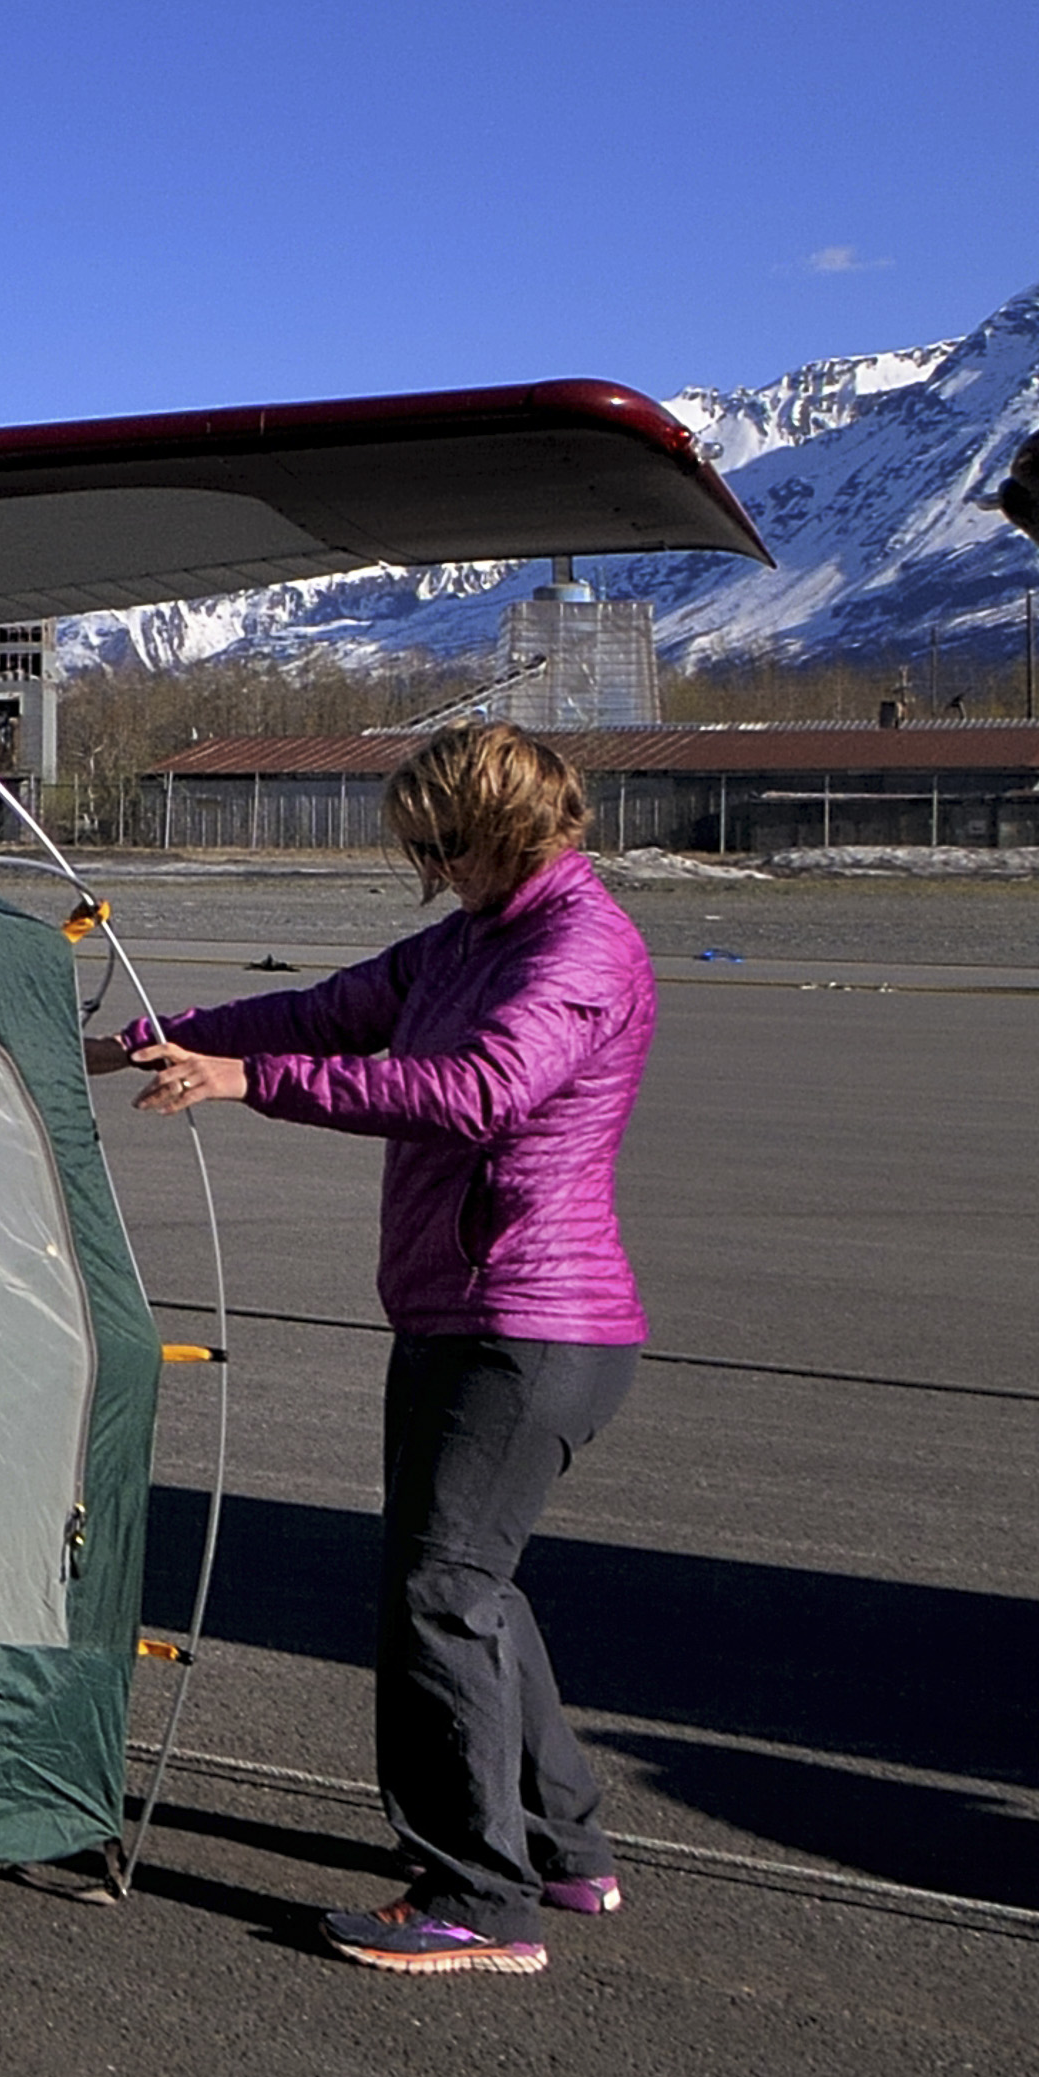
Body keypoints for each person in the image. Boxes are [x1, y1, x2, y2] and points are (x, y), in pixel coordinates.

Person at [106, 722, 651, 1978]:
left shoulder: (576, 947)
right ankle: (564, 1850)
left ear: (506, 828)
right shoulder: (474, 937)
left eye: (442, 842)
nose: (429, 864)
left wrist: (248, 1081)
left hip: (528, 1325)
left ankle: (473, 1894)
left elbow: (473, 1091)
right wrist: (165, 1038)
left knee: (437, 1594)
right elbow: (329, 1007)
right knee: (473, 1583)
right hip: (464, 1314)